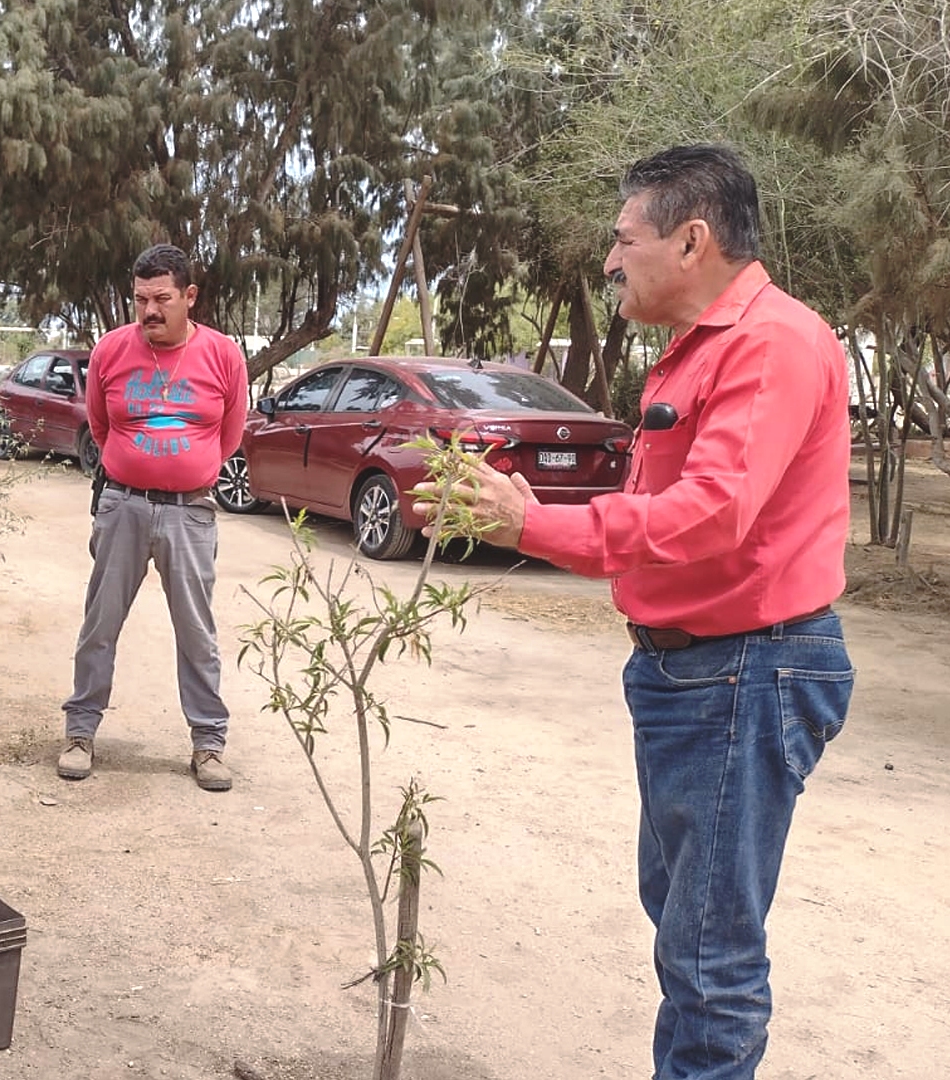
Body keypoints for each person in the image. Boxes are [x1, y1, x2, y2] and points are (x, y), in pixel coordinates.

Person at [416, 144, 853, 1080]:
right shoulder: (702, 349)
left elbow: (716, 512)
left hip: (746, 670)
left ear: (692, 240)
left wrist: (534, 526)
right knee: (687, 926)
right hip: (694, 671)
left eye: (623, 239)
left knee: (709, 957)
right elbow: (677, 502)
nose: (610, 261)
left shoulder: (769, 344)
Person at [57, 243, 248, 791]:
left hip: (190, 515)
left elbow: (228, 435)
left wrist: (188, 471)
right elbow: (100, 425)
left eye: (162, 298)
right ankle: (80, 732)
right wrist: (136, 472)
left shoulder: (223, 355)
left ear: (190, 297)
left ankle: (208, 743)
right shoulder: (112, 350)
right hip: (123, 506)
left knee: (196, 632)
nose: (149, 311)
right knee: (100, 624)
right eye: (140, 299)